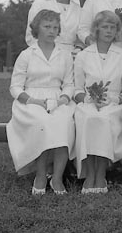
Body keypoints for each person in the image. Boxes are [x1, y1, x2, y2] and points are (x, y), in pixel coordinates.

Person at [7, 10, 75, 195]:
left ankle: (57, 178)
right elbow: (15, 87)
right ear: (37, 28)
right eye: (47, 26)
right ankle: (40, 175)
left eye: (55, 27)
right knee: (42, 123)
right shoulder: (27, 55)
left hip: (58, 100)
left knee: (64, 122)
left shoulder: (65, 55)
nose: (52, 31)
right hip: (30, 102)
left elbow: (69, 84)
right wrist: (33, 101)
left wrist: (62, 100)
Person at [73, 11, 122, 194]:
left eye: (112, 27)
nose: (108, 31)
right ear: (96, 29)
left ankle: (100, 175)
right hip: (88, 103)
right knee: (89, 118)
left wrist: (112, 99)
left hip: (113, 105)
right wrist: (90, 99)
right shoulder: (83, 55)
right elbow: (77, 90)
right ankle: (90, 175)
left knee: (104, 120)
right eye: (105, 27)